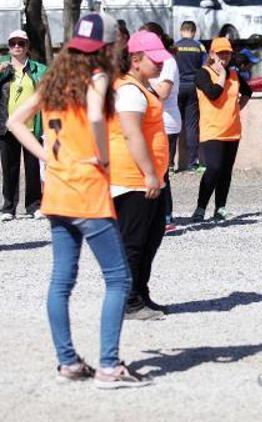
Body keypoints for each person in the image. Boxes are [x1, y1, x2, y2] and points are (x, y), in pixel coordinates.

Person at [7, 12, 151, 388]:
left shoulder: (53, 80)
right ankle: (108, 365)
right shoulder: (98, 77)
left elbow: (14, 122)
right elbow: (95, 115)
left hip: (56, 191)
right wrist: (102, 156)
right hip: (87, 190)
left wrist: (45, 156)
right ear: (104, 48)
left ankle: (68, 362)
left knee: (61, 281)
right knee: (119, 279)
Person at [109, 30, 172, 320]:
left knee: (151, 238)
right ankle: (128, 302)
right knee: (133, 242)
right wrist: (149, 173)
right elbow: (132, 134)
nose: (160, 64)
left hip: (149, 177)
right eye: (154, 59)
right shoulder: (130, 91)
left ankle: (140, 293)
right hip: (134, 178)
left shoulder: (142, 87)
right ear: (135, 59)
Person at [191, 37, 253, 222]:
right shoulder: (203, 73)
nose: (224, 56)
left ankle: (220, 207)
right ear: (212, 54)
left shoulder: (234, 75)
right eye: (220, 53)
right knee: (214, 168)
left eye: (227, 53)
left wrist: (237, 108)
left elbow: (248, 92)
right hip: (212, 131)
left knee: (226, 171)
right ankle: (201, 207)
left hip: (232, 130)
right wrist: (222, 75)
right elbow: (213, 93)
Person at [0, 30, 46, 221]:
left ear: (28, 47)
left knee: (33, 167)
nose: (17, 46)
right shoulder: (2, 67)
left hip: (31, 126)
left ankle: (34, 205)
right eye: (13, 43)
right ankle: (8, 207)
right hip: (7, 126)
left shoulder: (38, 69)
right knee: (9, 168)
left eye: (21, 43)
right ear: (9, 47)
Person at [142, 22, 181, 232]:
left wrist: (140, 84)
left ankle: (166, 216)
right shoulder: (146, 62)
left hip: (166, 122)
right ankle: (153, 215)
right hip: (148, 121)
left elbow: (163, 93)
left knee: (160, 170)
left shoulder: (168, 61)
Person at [174, 20, 206, 172]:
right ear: (194, 32)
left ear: (181, 31)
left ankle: (169, 165)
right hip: (193, 87)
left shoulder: (175, 46)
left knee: (173, 125)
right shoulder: (199, 46)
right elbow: (205, 67)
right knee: (192, 126)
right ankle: (192, 164)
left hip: (177, 88)